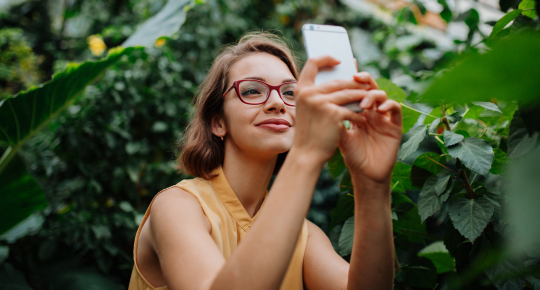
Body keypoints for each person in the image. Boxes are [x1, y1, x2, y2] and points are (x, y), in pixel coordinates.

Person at [128, 32, 402, 290]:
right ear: (218, 122)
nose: (277, 103)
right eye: (252, 91)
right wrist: (306, 154)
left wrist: (372, 184)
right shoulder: (177, 207)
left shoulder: (304, 236)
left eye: (290, 92)